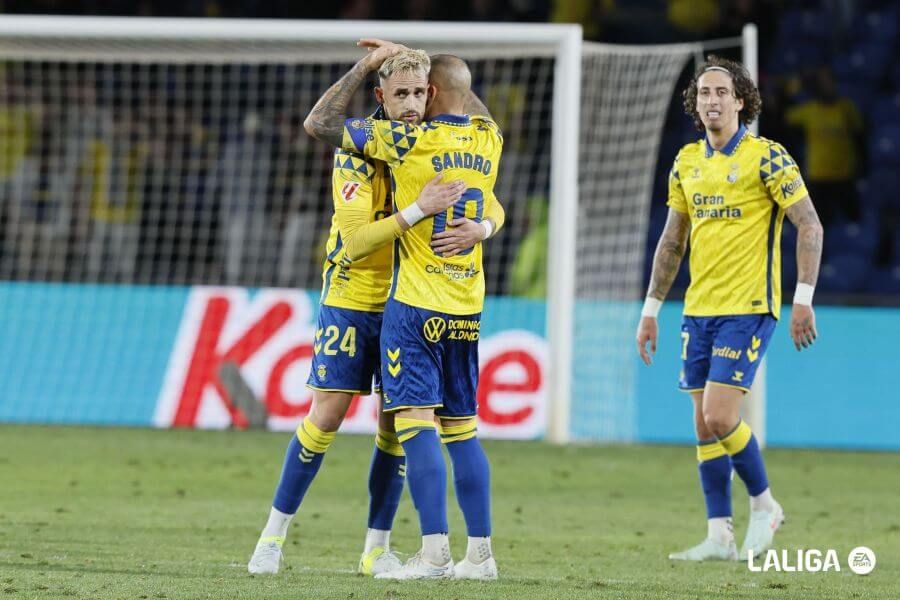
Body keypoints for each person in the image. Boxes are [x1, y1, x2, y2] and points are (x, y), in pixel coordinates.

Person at [249, 48, 503, 577]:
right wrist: (418, 211)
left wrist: (483, 227)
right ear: (381, 97)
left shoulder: (431, 141)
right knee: (328, 415)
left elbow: (488, 198)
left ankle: (376, 548)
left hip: (408, 300)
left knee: (397, 428)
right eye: (402, 93)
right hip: (356, 296)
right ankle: (272, 536)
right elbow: (357, 241)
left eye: (419, 92)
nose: (412, 104)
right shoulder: (359, 148)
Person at [636, 56, 823, 561]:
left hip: (750, 306)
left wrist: (803, 299)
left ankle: (765, 506)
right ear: (695, 105)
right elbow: (672, 242)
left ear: (741, 100)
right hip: (698, 309)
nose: (712, 100)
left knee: (721, 416)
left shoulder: (768, 158)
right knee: (702, 425)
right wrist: (651, 308)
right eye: (704, 93)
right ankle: (719, 534)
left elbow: (809, 225)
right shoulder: (686, 162)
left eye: (722, 91)